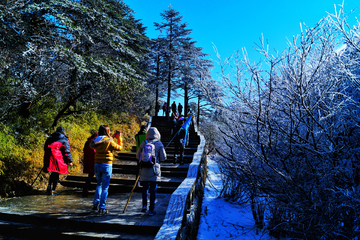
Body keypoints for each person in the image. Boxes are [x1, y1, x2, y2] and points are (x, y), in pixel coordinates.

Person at [90, 125, 122, 214]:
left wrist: (112, 137)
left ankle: (95, 203)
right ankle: (102, 207)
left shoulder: (96, 140)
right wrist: (119, 138)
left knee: (99, 184)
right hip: (106, 164)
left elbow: (102, 142)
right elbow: (119, 147)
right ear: (107, 131)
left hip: (97, 163)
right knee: (105, 187)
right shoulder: (109, 142)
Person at [136, 127, 167, 216]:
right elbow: (163, 158)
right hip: (154, 170)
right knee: (153, 190)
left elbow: (138, 156)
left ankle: (144, 206)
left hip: (144, 169)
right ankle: (151, 210)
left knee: (144, 188)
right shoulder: (159, 144)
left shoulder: (143, 143)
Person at [43, 126, 73, 195]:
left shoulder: (50, 137)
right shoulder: (64, 139)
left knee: (53, 172)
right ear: (63, 132)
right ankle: (53, 190)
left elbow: (45, 147)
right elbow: (67, 151)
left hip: (48, 156)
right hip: (57, 157)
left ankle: (49, 186)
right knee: (56, 172)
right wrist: (70, 161)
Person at [82, 130, 98, 197]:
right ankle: (98, 191)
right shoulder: (95, 142)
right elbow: (95, 152)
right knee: (99, 177)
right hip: (95, 161)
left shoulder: (87, 142)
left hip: (88, 161)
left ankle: (85, 189)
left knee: (90, 176)